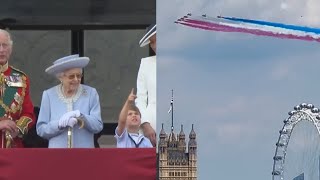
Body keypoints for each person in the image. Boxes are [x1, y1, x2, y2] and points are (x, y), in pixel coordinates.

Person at [36, 54, 103, 148]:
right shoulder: (49, 95)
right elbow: (41, 130)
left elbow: (97, 126)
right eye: (71, 76)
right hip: (58, 156)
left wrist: (80, 116)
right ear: (61, 77)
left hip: (84, 155)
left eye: (79, 76)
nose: (76, 79)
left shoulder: (91, 93)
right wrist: (58, 125)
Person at [0, 29, 35, 148]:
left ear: (10, 49)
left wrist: (17, 129)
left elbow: (28, 113)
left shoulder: (21, 78)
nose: (1, 50)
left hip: (13, 146)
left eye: (5, 45)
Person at [135, 23, 157, 147]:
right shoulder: (146, 64)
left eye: (157, 41)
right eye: (152, 42)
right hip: (151, 126)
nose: (154, 45)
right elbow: (140, 98)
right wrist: (145, 124)